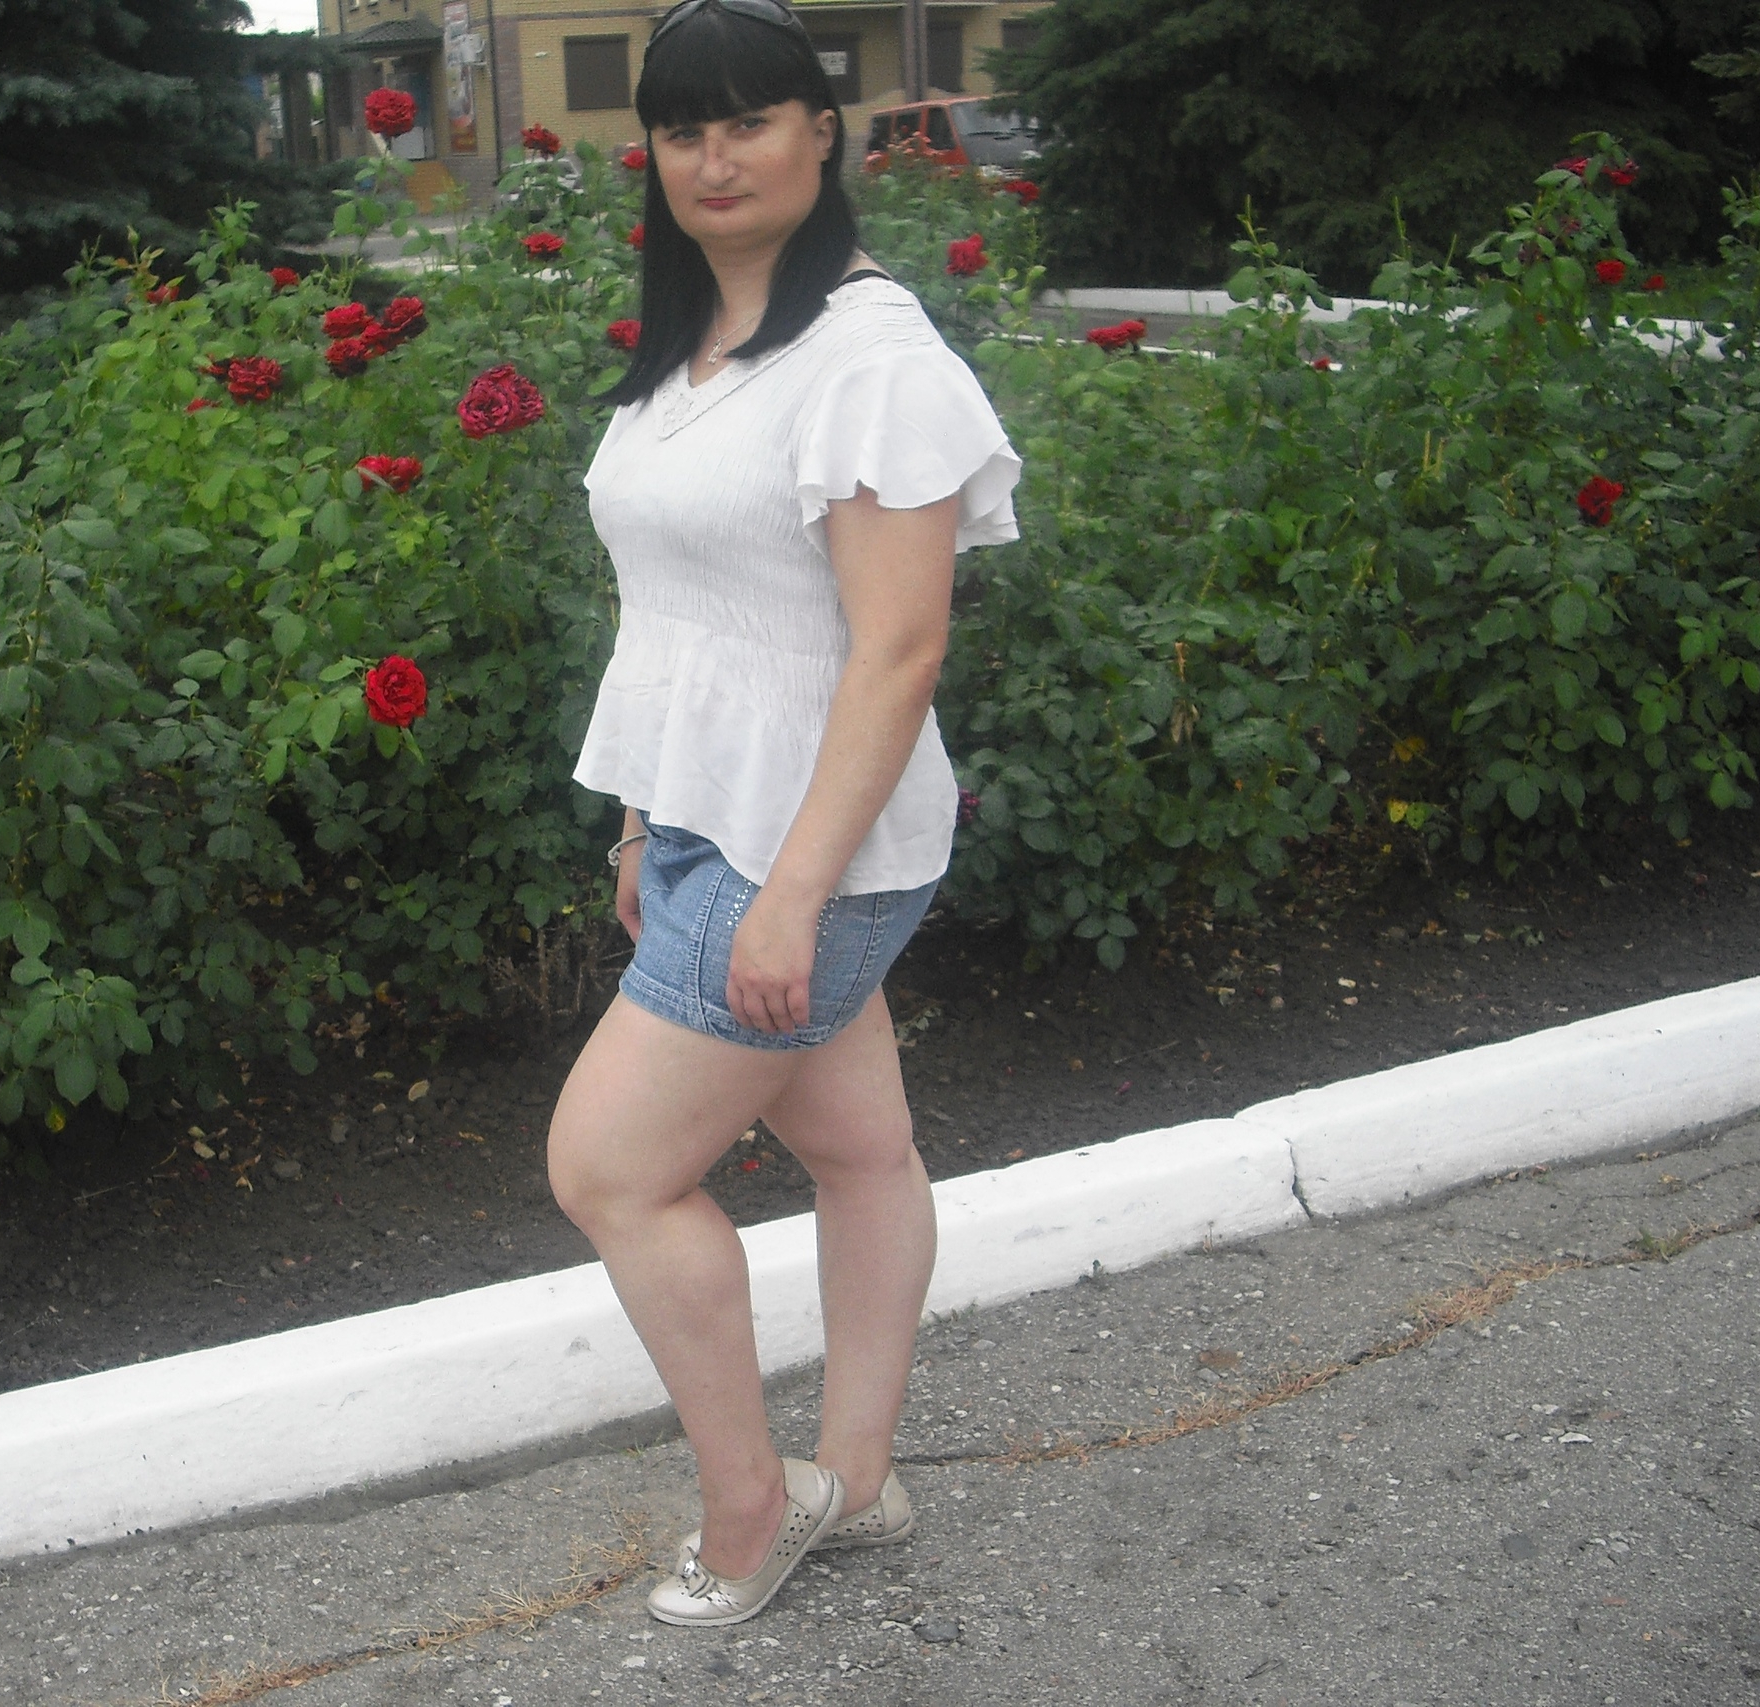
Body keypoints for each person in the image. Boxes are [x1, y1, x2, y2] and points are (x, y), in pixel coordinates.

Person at [545, 0, 1021, 1629]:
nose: (715, 156)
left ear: (824, 134)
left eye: (751, 119)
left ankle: (755, 1504)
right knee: (859, 1148)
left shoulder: (871, 362)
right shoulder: (693, 352)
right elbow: (674, 618)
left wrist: (791, 898)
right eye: (682, 129)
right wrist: (642, 823)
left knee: (610, 1168)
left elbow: (899, 650)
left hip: (817, 845)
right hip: (710, 823)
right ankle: (860, 1479)